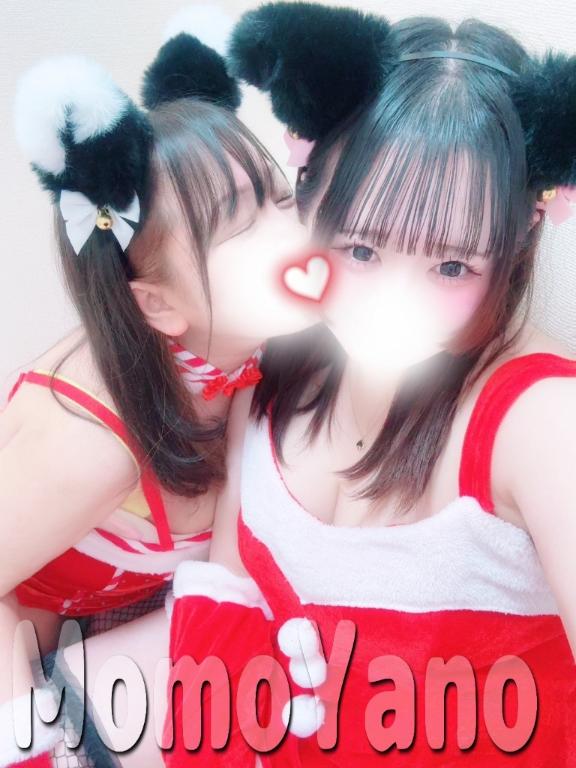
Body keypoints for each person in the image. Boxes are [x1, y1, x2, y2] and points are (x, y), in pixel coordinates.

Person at [165, 3, 576, 766]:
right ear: (310, 199)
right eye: (360, 249)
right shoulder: (273, 371)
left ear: (515, 243)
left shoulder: (543, 423)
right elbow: (226, 603)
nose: (392, 305)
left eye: (451, 266)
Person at [0, 10, 322, 767]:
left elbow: (229, 573)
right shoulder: (91, 442)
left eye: (280, 198)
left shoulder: (249, 361)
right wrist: (26, 733)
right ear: (158, 304)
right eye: (239, 223)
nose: (292, 233)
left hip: (108, 656)